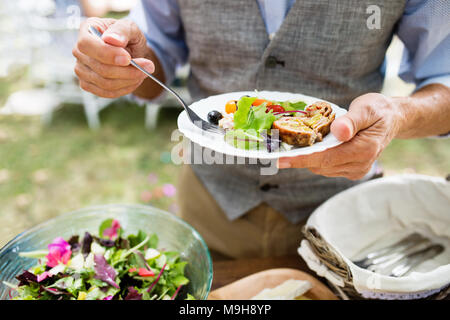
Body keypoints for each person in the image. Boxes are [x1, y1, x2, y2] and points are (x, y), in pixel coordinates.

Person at [72, 0, 450, 259]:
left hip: (344, 219)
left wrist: (397, 115)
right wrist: (123, 60)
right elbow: (155, 55)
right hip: (212, 205)